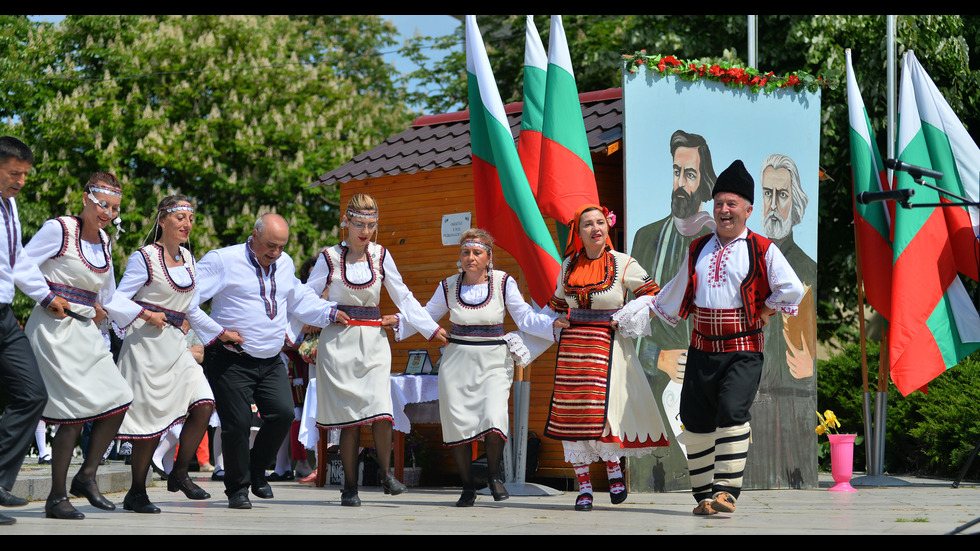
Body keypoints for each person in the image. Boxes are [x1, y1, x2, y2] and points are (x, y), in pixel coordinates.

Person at [651, 160, 804, 516]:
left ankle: (726, 492)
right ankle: (704, 496)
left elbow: (792, 288)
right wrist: (644, 310)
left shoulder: (762, 248)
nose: (723, 210)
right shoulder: (698, 248)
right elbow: (675, 292)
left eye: (731, 203)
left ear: (748, 210)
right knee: (695, 418)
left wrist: (767, 310)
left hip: (742, 350)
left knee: (733, 411)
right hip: (702, 348)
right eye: (719, 203)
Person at [395, 228, 564, 507]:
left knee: (495, 416)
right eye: (465, 252)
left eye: (476, 252)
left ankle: (494, 475)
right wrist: (399, 321)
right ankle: (467, 487)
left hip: (494, 361)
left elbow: (524, 318)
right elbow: (424, 316)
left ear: (489, 258)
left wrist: (551, 325)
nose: (470, 257)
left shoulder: (503, 282)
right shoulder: (448, 286)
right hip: (456, 362)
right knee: (457, 424)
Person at [193, 213, 346, 510]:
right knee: (236, 425)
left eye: (281, 246)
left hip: (270, 358)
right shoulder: (222, 260)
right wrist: (218, 333)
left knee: (283, 414)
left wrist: (330, 313)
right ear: (254, 235)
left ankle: (256, 470)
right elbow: (187, 300)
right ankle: (237, 489)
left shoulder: (285, 263)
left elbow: (300, 299)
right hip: (230, 358)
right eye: (270, 246)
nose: (275, 253)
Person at [105, 195, 242, 514]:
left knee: (205, 402)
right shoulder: (145, 257)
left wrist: (222, 334)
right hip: (145, 347)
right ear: (163, 220)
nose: (186, 224)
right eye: (180, 217)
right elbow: (117, 299)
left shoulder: (189, 260)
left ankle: (180, 471)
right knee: (150, 423)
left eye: (190, 219)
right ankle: (136, 492)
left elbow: (191, 308)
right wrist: (147, 314)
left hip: (175, 348)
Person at [306, 194, 442, 506]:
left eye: (371, 225)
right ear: (346, 223)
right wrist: (327, 313)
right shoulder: (329, 258)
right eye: (359, 224)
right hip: (339, 343)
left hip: (373, 341)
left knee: (382, 408)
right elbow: (304, 297)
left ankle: (385, 473)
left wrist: (429, 329)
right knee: (351, 418)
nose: (365, 231)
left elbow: (404, 296)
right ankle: (350, 488)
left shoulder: (381, 256)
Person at [542, 204, 669, 511]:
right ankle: (584, 487)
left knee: (606, 412)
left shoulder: (623, 263)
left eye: (600, 222)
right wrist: (550, 323)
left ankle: (613, 470)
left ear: (608, 227)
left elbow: (654, 293)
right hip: (573, 350)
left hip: (609, 347)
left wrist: (628, 313)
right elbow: (556, 304)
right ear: (578, 232)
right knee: (572, 415)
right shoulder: (568, 265)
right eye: (587, 224)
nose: (595, 228)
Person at [22, 172, 134, 520]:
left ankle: (86, 475)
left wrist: (129, 315)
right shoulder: (60, 229)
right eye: (103, 204)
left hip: (86, 329)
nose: (108, 213)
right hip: (54, 327)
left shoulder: (105, 241)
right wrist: (45, 296)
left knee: (119, 398)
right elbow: (21, 261)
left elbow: (109, 293)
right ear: (86, 197)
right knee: (71, 413)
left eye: (115, 209)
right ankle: (56, 496)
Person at [630, 130, 718, 491]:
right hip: (650, 398)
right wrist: (657, 358)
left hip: (701, 390)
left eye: (690, 174)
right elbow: (628, 320)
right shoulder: (645, 237)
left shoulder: (717, 242)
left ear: (705, 184)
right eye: (676, 172)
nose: (680, 184)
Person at [0, 137, 71, 526]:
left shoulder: (9, 205)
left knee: (32, 394)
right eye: (14, 173)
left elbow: (18, 260)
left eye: (25, 174)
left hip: (5, 314)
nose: (21, 181)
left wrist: (46, 296)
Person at [751, 153, 818, 488]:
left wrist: (809, 365)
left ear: (797, 201)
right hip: (750, 392)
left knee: (792, 485)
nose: (773, 205)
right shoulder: (746, 259)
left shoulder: (806, 268)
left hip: (792, 401)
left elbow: (808, 344)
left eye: (782, 194)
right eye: (767, 193)